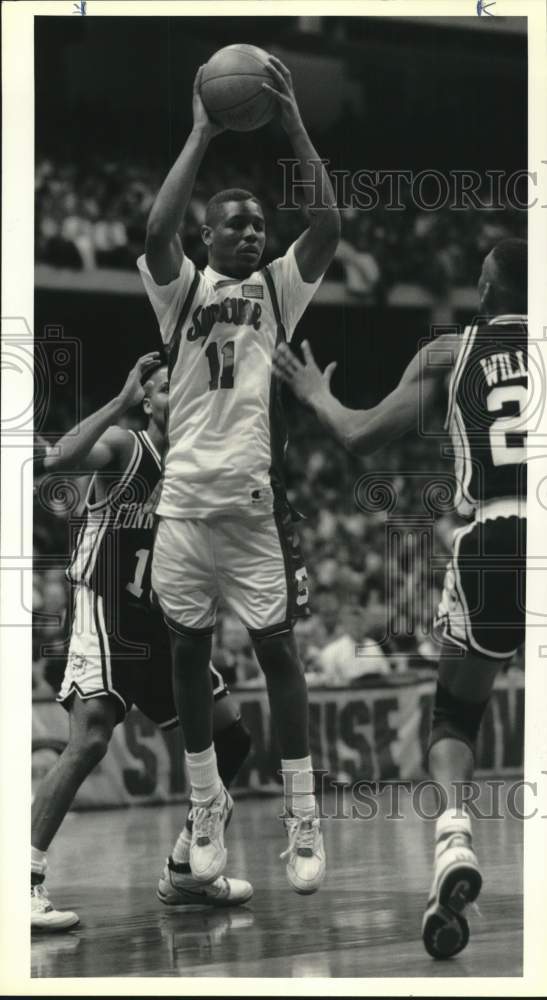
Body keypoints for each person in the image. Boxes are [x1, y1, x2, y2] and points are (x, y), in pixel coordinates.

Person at [273, 238, 527, 955]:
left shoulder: (448, 353)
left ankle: (452, 842)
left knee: (454, 713)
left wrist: (314, 390)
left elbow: (356, 437)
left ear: (483, 287)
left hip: (492, 539)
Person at [138, 56, 340, 895]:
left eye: (260, 223)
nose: (253, 232)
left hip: (254, 503)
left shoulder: (275, 291)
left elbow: (325, 226)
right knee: (188, 654)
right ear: (210, 233)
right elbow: (155, 233)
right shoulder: (179, 289)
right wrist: (199, 130)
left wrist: (291, 122)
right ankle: (206, 801)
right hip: (183, 500)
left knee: (279, 654)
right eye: (237, 223)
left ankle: (300, 814)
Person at [31, 354, 253, 932]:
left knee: (231, 739)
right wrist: (120, 397)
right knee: (91, 739)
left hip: (164, 624)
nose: (178, 395)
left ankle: (184, 868)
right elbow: (54, 459)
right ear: (149, 403)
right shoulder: (128, 448)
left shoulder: (198, 470)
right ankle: (22, 879)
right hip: (107, 610)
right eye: (162, 388)